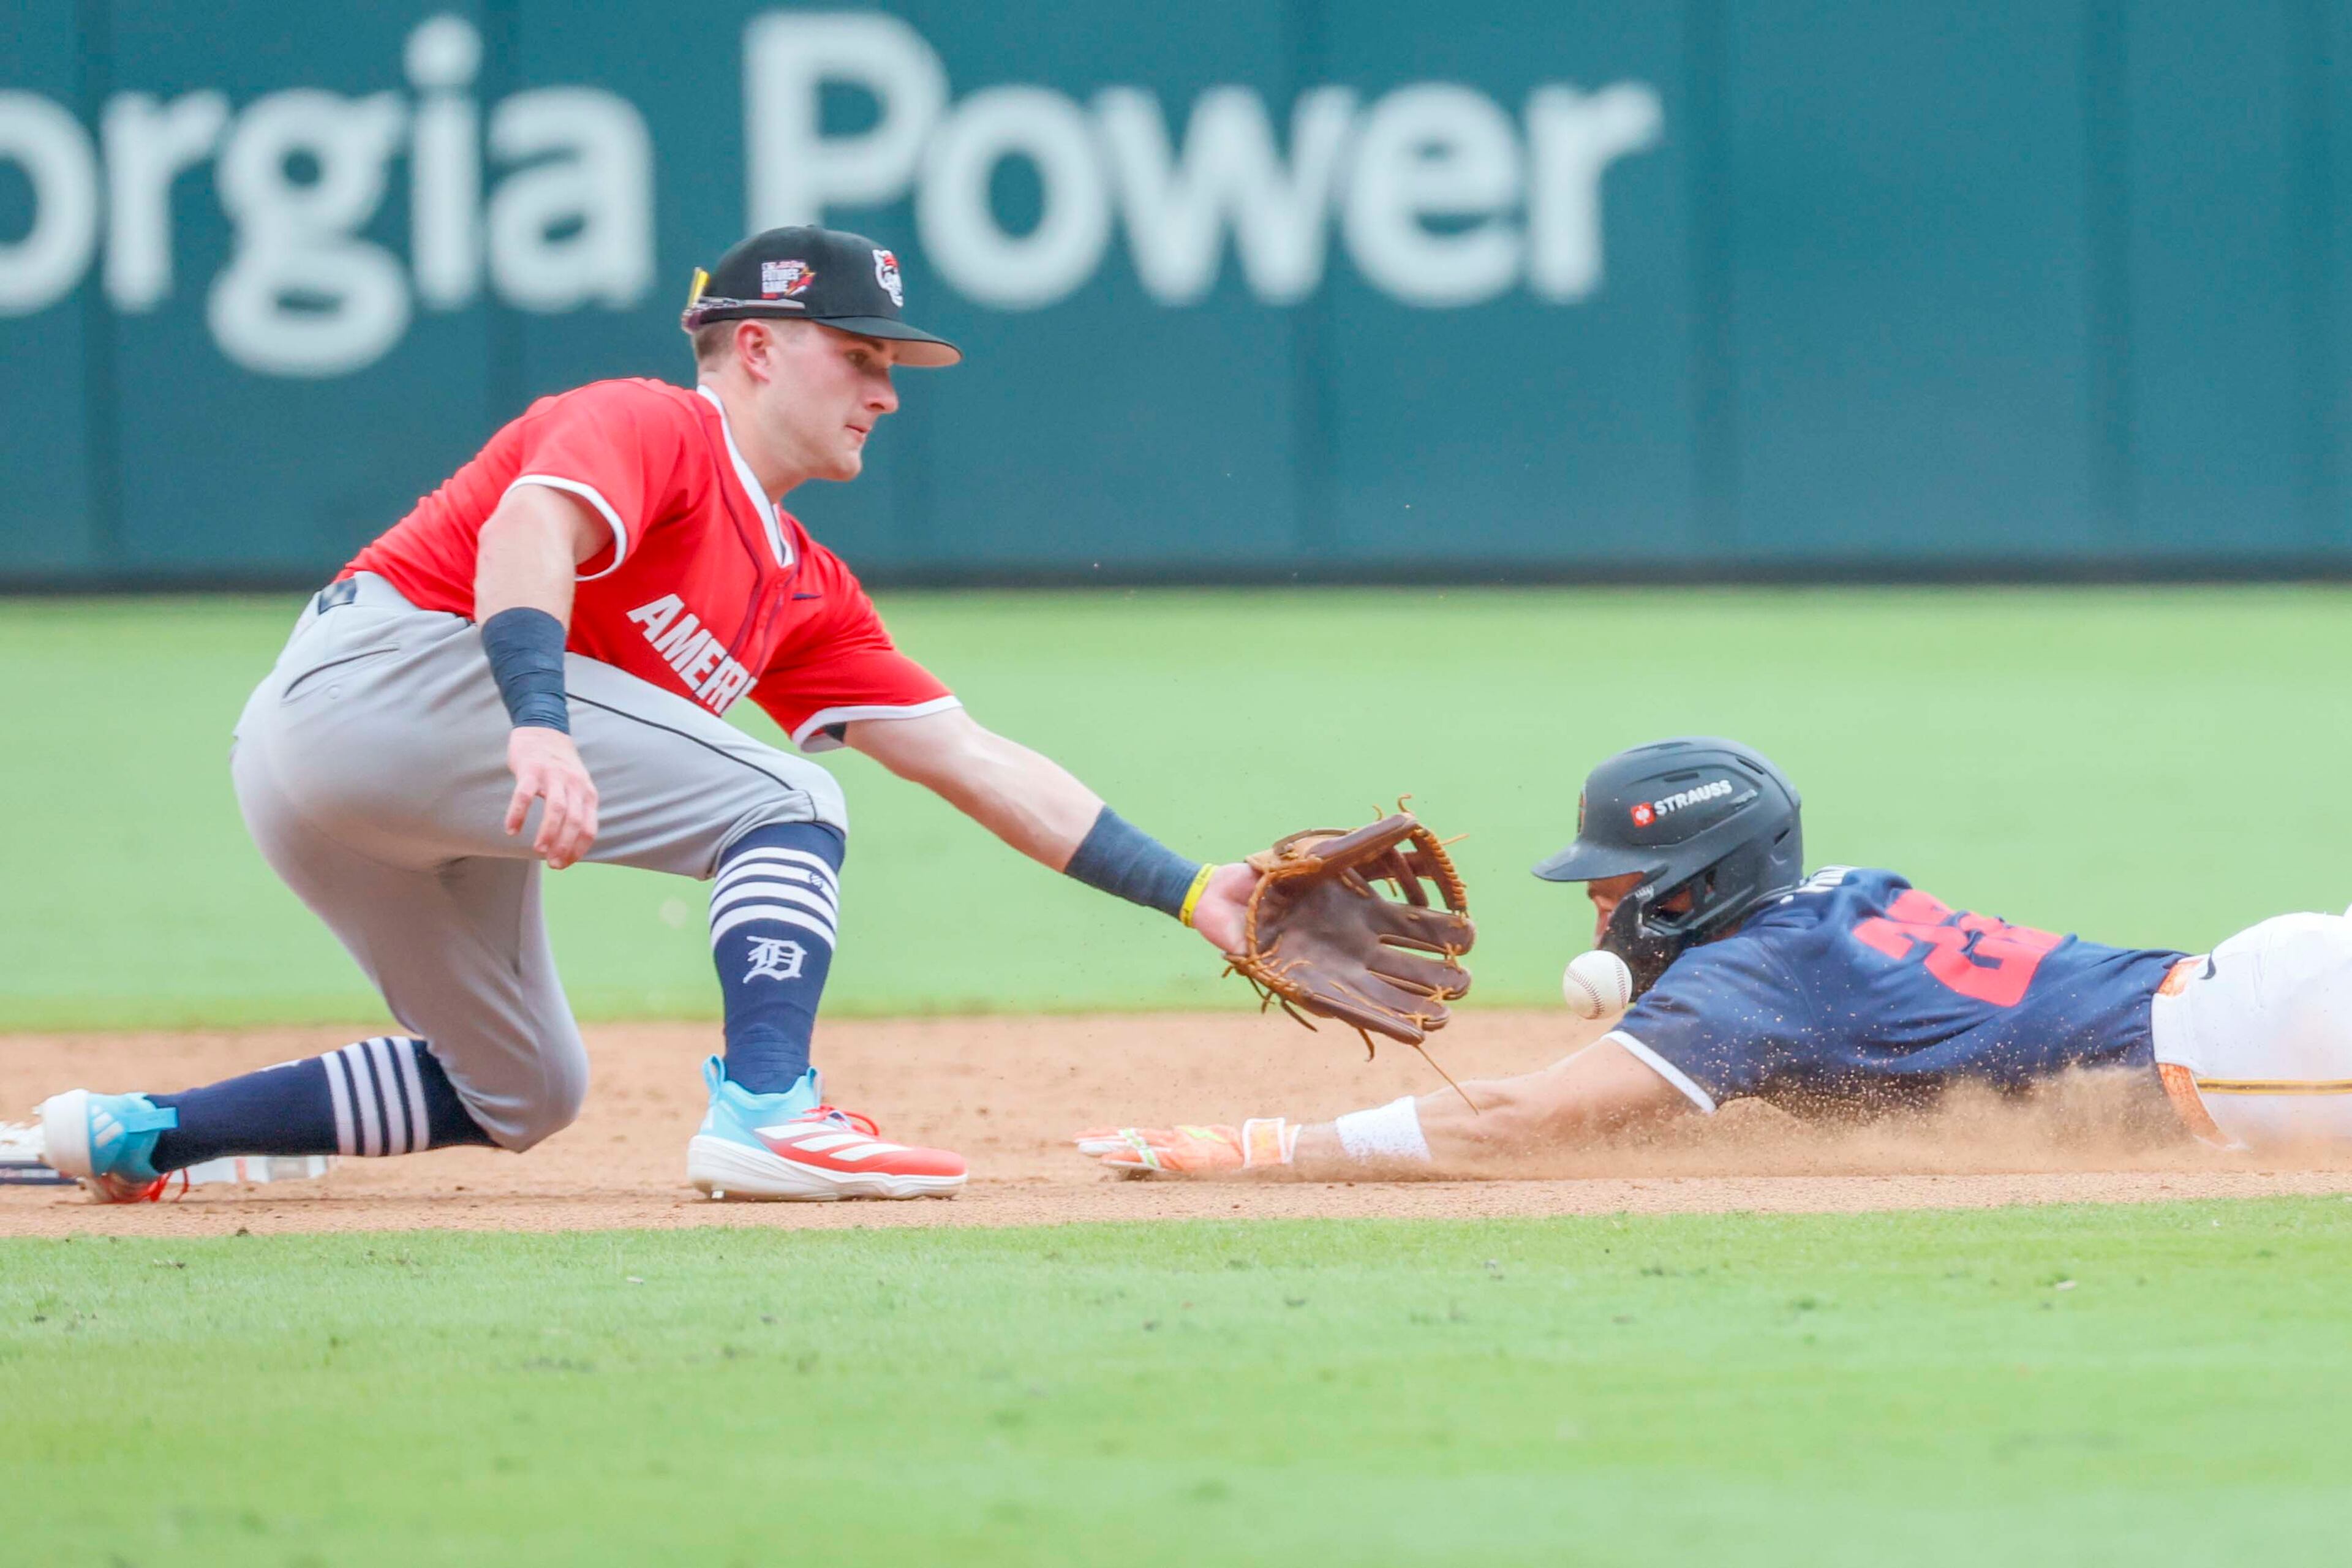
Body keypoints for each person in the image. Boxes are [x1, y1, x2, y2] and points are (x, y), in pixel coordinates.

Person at [39, 225, 1257, 1204]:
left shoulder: (801, 585)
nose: (887, 392)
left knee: (522, 1088)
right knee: (784, 796)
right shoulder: (658, 424)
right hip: (382, 681)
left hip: (384, 790)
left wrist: (1196, 890)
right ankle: (770, 1112)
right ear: (758, 346)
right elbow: (528, 529)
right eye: (861, 353)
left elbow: (970, 757)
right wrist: (538, 719)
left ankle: (135, 1133)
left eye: (892, 366)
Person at [1078, 736, 2352, 1177]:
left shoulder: (1756, 979)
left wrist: (1270, 1146)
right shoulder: (1835, 903)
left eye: (1615, 885)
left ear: (1698, 883)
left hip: (2266, 1052)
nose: (1597, 914)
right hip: (2261, 1006)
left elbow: (1513, 1122)